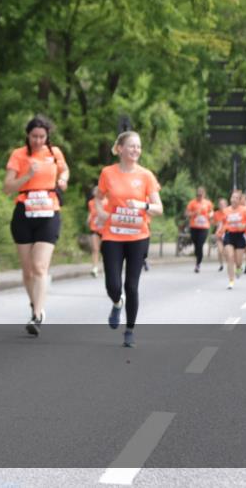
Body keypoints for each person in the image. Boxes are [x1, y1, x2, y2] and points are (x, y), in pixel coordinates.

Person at [93, 131, 163, 348]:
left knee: (131, 286)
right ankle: (117, 302)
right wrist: (100, 212)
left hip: (138, 236)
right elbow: (98, 197)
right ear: (120, 148)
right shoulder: (108, 173)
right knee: (113, 285)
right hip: (112, 234)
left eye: (138, 146)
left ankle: (130, 330)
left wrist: (142, 205)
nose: (136, 150)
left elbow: (159, 208)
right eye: (132, 146)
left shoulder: (146, 176)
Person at [3, 116, 70, 336]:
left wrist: (63, 180)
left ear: (47, 136)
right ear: (28, 135)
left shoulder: (54, 153)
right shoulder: (18, 155)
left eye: (42, 137)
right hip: (24, 212)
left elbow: (65, 170)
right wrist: (28, 175)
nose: (38, 141)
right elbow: (7, 187)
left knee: (40, 267)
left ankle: (37, 315)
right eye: (34, 136)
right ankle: (35, 304)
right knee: (28, 270)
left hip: (49, 213)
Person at [222, 191, 246, 289]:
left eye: (236, 198)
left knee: (238, 261)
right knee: (230, 256)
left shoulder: (244, 210)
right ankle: (231, 281)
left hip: (240, 236)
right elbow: (222, 222)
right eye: (232, 197)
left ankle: (238, 268)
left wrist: (244, 225)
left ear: (239, 200)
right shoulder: (226, 210)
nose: (233, 199)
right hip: (229, 235)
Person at [185, 187, 213, 273]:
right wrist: (194, 213)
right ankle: (198, 257)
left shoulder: (208, 203)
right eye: (198, 195)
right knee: (196, 245)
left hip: (204, 227)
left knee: (200, 244)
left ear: (204, 194)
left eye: (201, 195)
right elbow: (186, 213)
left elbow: (211, 212)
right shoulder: (192, 203)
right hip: (194, 226)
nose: (199, 196)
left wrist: (210, 215)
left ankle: (198, 264)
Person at [87, 187, 102, 278]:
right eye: (95, 191)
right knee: (95, 248)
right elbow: (91, 212)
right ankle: (95, 268)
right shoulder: (91, 202)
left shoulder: (106, 201)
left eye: (97, 191)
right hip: (94, 228)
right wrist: (88, 219)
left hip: (104, 229)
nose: (96, 193)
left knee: (106, 250)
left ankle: (106, 266)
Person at [213, 198, 228, 272]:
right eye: (220, 204)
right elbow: (213, 223)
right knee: (220, 250)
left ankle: (229, 263)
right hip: (219, 234)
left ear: (226, 205)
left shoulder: (229, 212)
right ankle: (221, 265)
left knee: (226, 251)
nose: (221, 206)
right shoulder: (216, 213)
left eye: (223, 204)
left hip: (227, 234)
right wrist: (217, 224)